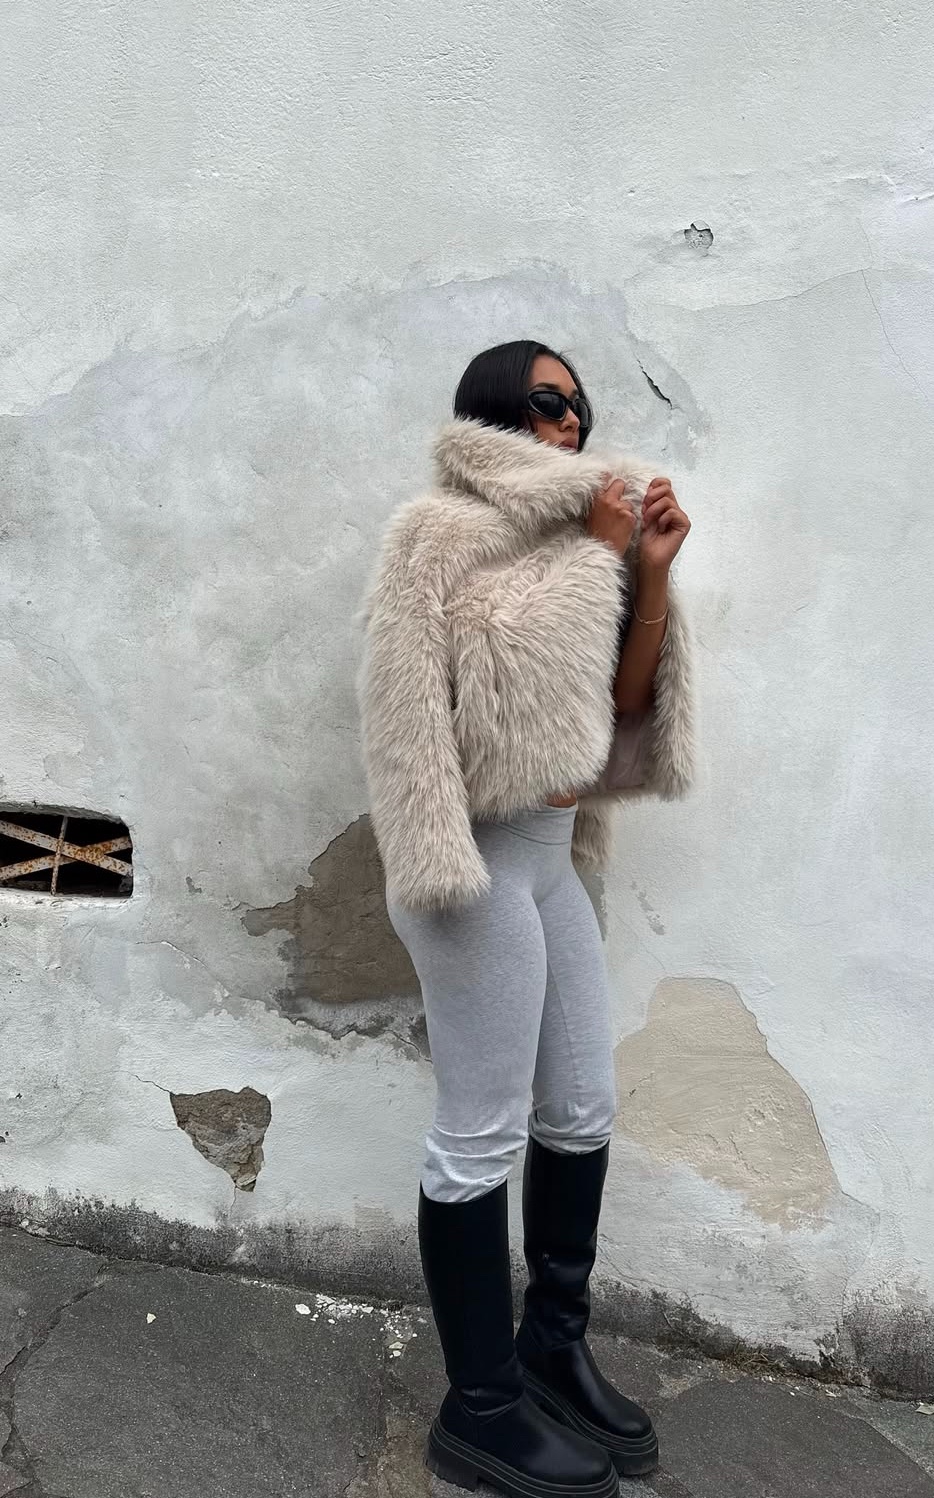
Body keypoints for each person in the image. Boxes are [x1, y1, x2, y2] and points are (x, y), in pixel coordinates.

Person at [356, 340, 694, 1498]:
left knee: (582, 1105)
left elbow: (615, 718)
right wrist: (598, 555)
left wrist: (649, 576)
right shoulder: (438, 535)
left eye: (577, 404)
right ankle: (480, 1406)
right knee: (479, 1130)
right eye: (546, 402)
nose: (568, 421)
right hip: (476, 862)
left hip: (553, 861)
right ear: (495, 409)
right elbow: (417, 717)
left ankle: (550, 1345)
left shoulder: (590, 540)